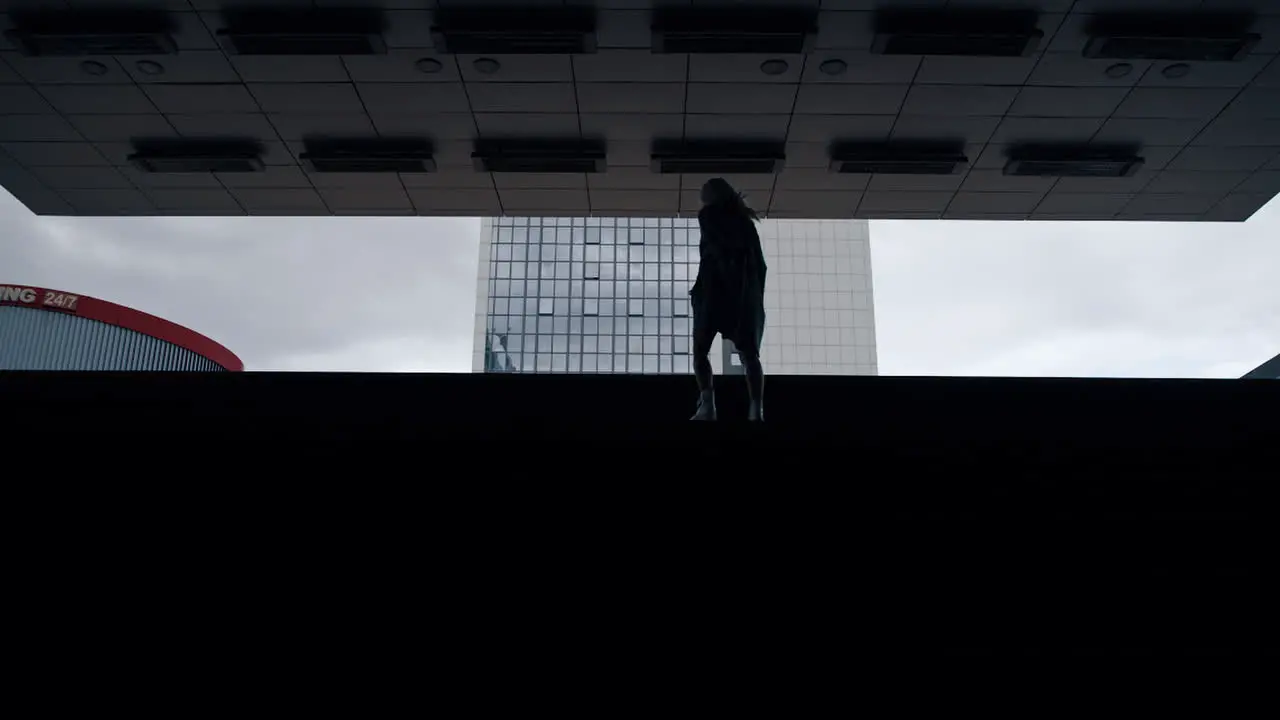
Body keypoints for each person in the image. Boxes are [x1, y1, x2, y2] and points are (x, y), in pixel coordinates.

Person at [689, 178, 767, 422]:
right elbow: (761, 266)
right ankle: (757, 408)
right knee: (749, 355)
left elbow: (713, 252)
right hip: (743, 293)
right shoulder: (746, 223)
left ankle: (708, 405)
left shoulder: (709, 216)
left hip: (715, 290)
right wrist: (754, 295)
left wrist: (700, 289)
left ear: (711, 195)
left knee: (700, 350)